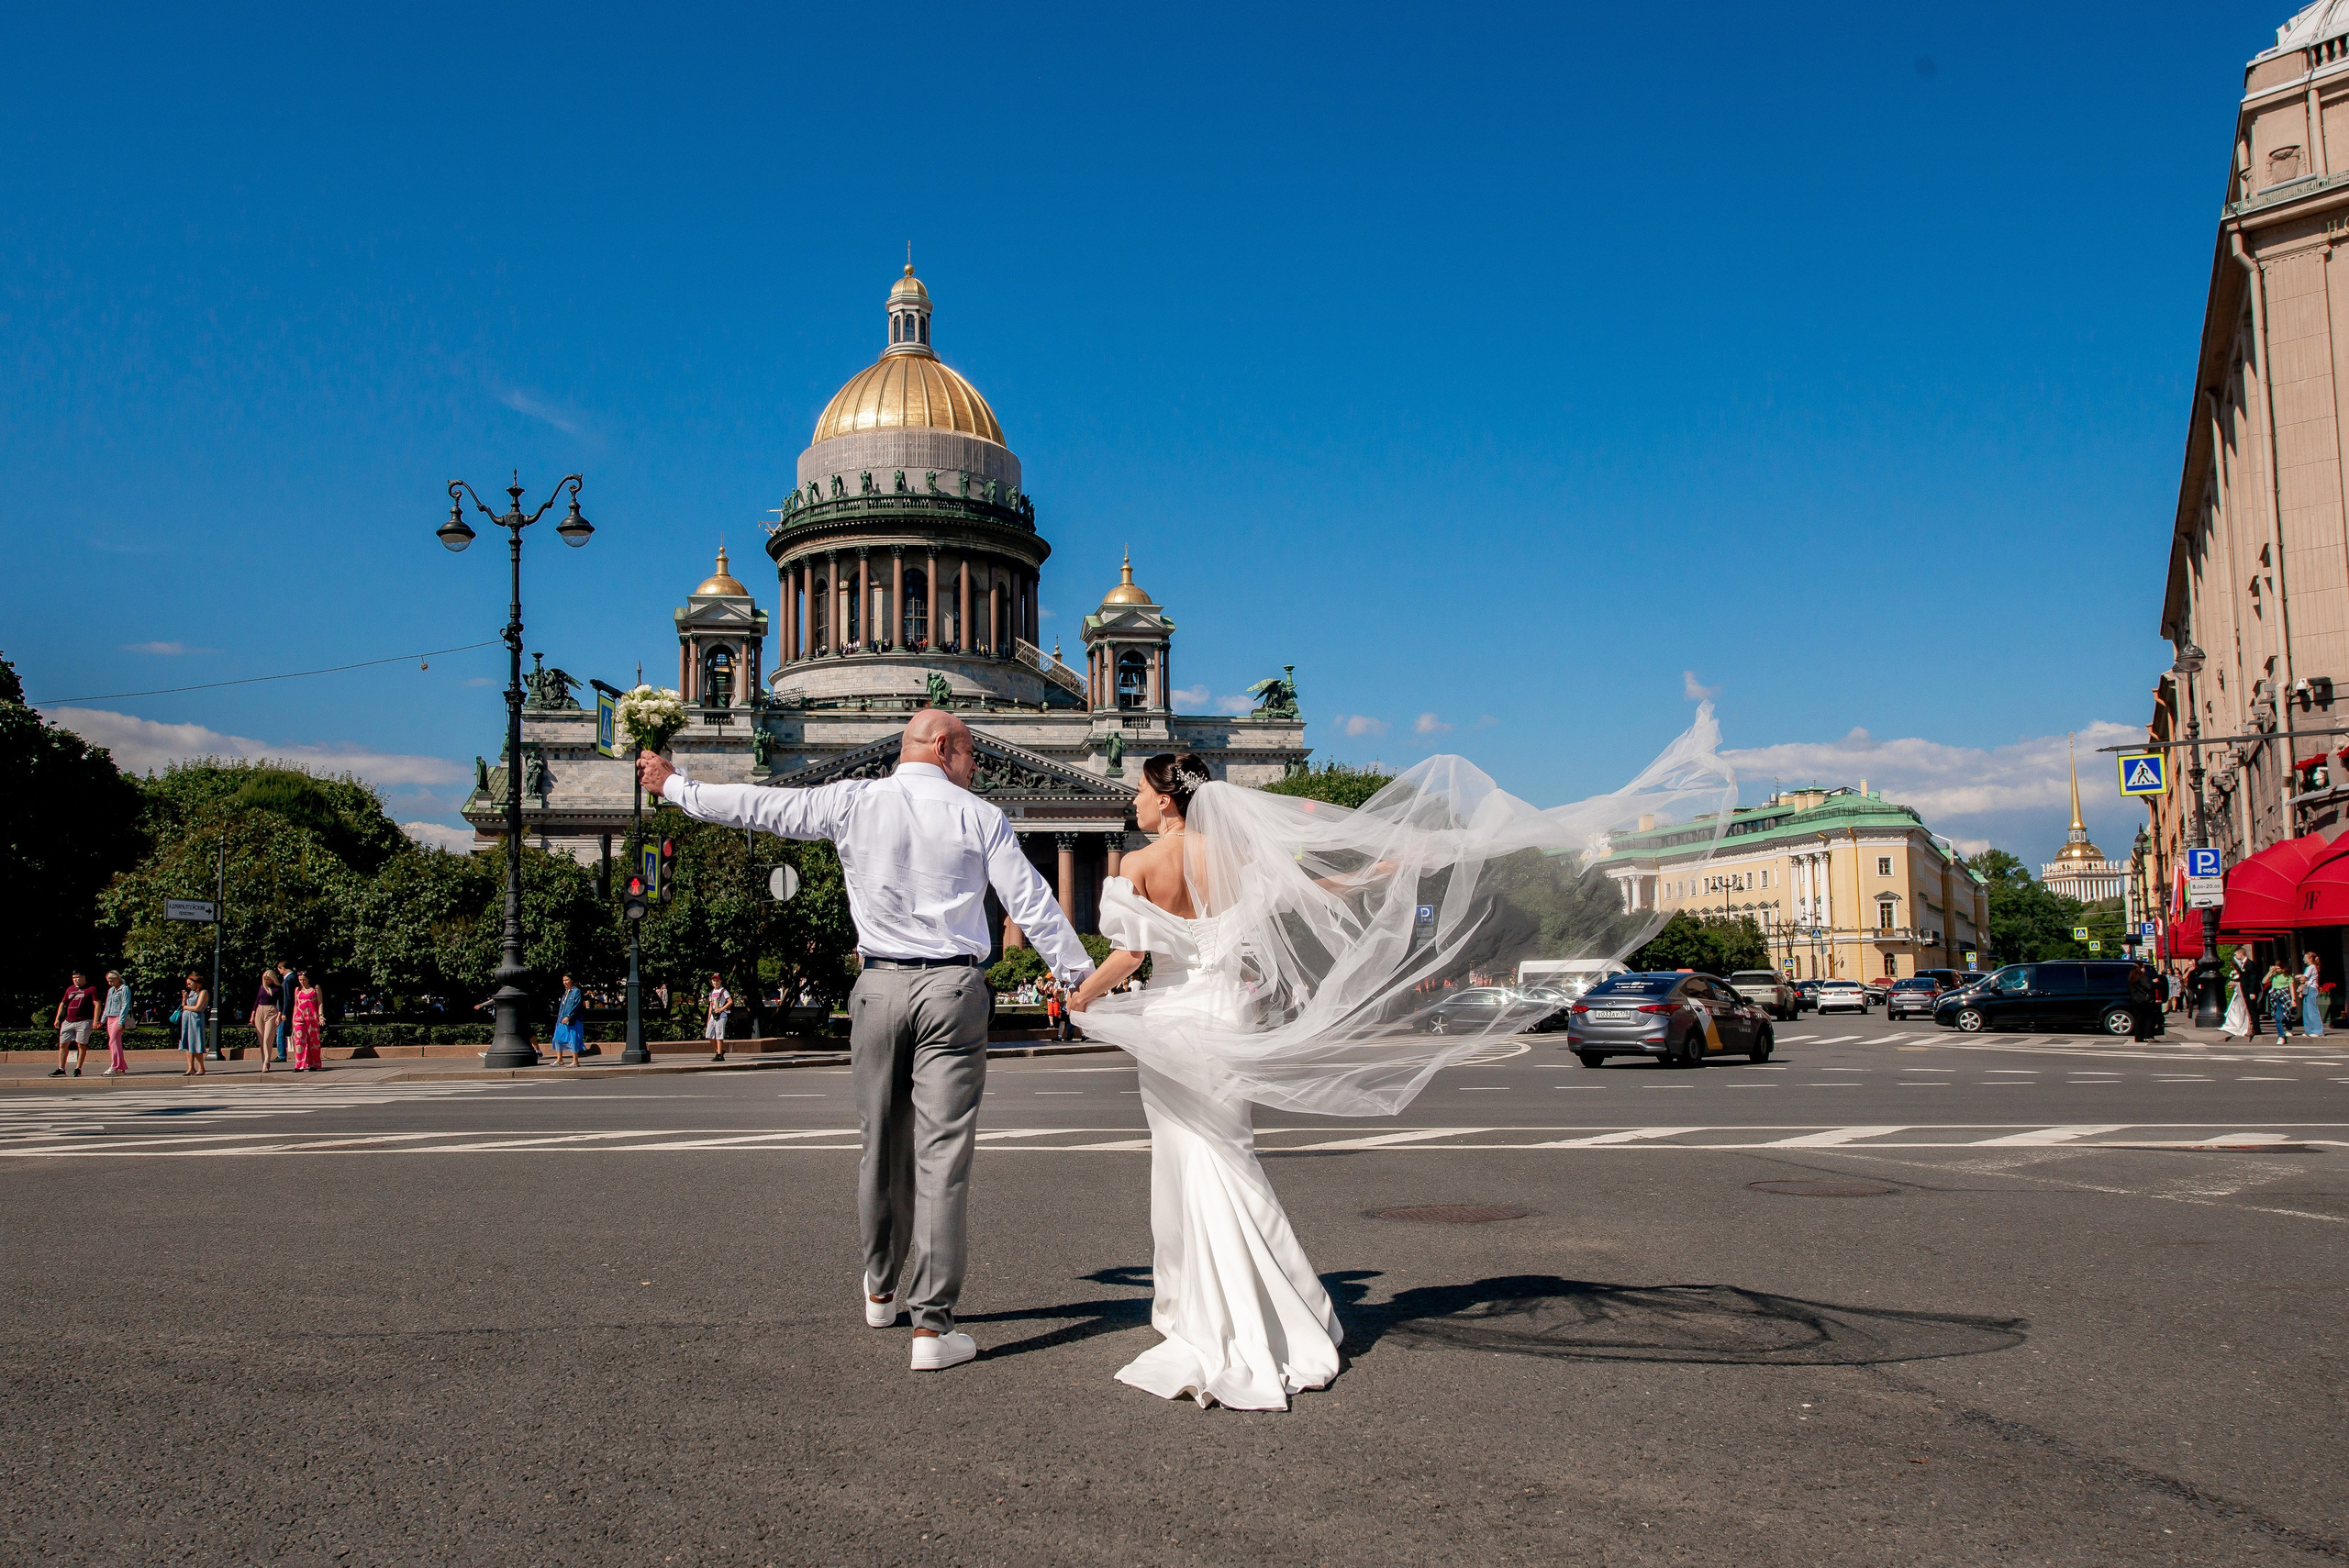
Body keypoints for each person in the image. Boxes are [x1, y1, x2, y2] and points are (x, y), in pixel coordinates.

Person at [1070, 719, 1733, 1410]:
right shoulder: (1240, 860)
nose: (1134, 804)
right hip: (1224, 1011)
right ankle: (1274, 1312)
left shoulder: (1139, 865)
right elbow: (1329, 885)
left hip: (1177, 1016)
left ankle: (1206, 1316)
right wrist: (1395, 863)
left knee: (1185, 1159)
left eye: (1141, 793)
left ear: (1168, 801)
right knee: (1229, 1155)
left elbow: (1132, 957)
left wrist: (1082, 992)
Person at [639, 707, 1094, 1373]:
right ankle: (932, 1327)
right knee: (942, 1159)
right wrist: (1081, 980)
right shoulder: (979, 816)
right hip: (953, 991)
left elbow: (761, 806)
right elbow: (1032, 904)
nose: (976, 767)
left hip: (876, 990)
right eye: (971, 755)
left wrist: (676, 786)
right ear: (942, 747)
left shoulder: (852, 800)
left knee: (879, 1145)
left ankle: (881, 1289)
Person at [51, 970, 101, 1077]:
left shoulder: (91, 989)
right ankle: (61, 1068)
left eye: (78, 977)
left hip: (84, 1021)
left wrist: (95, 1020)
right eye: (74, 978)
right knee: (63, 1044)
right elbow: (63, 1003)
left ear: (84, 977)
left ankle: (78, 1068)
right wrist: (58, 1018)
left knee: (81, 1045)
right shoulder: (70, 989)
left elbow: (97, 1004)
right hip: (68, 1021)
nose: (76, 980)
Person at [289, 971, 324, 1071]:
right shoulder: (297, 990)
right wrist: (293, 1021)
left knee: (313, 1041)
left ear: (308, 979)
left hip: (312, 1018)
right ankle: (299, 1064)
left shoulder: (315, 989)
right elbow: (296, 1005)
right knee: (299, 1041)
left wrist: (321, 1015)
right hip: (299, 1018)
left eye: (304, 979)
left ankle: (314, 1063)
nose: (302, 982)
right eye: (300, 980)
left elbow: (320, 1002)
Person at [250, 966, 281, 1074]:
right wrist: (253, 1014)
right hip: (260, 1010)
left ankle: (267, 1062)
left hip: (271, 1011)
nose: (266, 981)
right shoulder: (261, 987)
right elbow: (257, 1000)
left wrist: (279, 1016)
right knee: (261, 1037)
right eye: (265, 978)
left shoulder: (278, 988)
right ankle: (264, 1059)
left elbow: (281, 1003)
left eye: (268, 979)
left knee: (268, 1037)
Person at [101, 971, 131, 1074]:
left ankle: (114, 1066)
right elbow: (107, 1005)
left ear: (118, 979)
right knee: (115, 1042)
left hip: (118, 1016)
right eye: (108, 981)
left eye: (112, 980)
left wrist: (121, 1021)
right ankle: (121, 1066)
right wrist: (103, 1019)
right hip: (110, 1017)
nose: (110, 983)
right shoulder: (110, 990)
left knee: (113, 1041)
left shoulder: (125, 989)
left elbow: (125, 1005)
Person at [178, 973, 209, 1075]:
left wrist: (186, 1007)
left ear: (198, 983)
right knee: (188, 1043)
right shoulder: (191, 993)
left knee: (196, 1043)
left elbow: (198, 1008)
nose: (188, 986)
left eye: (190, 983)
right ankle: (190, 1067)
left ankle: (201, 1068)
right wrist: (184, 999)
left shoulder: (203, 992)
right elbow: (183, 1005)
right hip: (187, 1020)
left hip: (196, 1020)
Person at [552, 973, 584, 1067]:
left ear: (572, 980)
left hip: (572, 1020)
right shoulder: (566, 992)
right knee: (557, 1038)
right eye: (563, 980)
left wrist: (569, 1016)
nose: (565, 982)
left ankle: (575, 1061)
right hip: (562, 1019)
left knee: (573, 1039)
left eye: (567, 980)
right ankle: (559, 1059)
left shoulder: (576, 991)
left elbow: (576, 1005)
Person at [2266, 959, 2299, 1040]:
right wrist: (2270, 972)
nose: (2277, 970)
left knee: (2286, 1015)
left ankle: (2289, 1028)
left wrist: (2293, 1000)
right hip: (2276, 996)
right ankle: (2281, 1036)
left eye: (2278, 968)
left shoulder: (2287, 976)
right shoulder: (2273, 975)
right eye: (2276, 968)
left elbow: (2291, 987)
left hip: (2285, 995)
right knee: (2278, 1017)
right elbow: (2264, 981)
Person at [2127, 961, 2157, 1042]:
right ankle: (2148, 1035)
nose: (2144, 969)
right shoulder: (2140, 977)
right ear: (2140, 968)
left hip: (2135, 1000)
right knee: (2149, 1017)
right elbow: (2148, 987)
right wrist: (2154, 983)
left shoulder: (2132, 977)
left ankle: (2138, 1037)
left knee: (2138, 1019)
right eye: (2143, 967)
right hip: (2143, 1000)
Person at [705, 973, 731, 1061]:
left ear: (720, 981)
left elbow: (730, 1001)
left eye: (717, 980)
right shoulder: (712, 992)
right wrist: (708, 1018)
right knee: (709, 1035)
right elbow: (710, 1006)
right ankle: (719, 1050)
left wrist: (721, 1009)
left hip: (721, 1015)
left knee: (719, 1034)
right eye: (714, 980)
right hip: (713, 1016)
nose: (715, 982)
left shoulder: (723, 991)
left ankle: (719, 1054)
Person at [274, 962, 295, 1062]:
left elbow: (287, 997)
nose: (280, 973)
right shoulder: (294, 977)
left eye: (280, 970)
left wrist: (284, 1012)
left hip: (286, 1011)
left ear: (282, 968)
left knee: (281, 1032)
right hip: (293, 1010)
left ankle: (281, 1055)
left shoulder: (288, 980)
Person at [2303, 951, 2327, 1039]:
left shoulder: (2311, 967)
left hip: (2311, 989)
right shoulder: (2310, 967)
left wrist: (2297, 977)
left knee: (2312, 1011)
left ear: (2310, 959)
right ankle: (2308, 1030)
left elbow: (2304, 978)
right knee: (2306, 1011)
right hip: (2308, 989)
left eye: (2305, 958)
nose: (2304, 960)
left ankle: (2317, 1030)